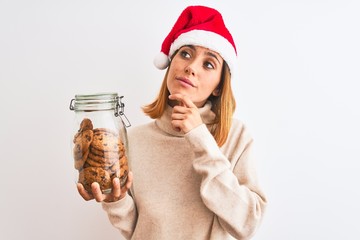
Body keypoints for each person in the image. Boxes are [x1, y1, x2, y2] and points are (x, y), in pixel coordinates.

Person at [77, 5, 267, 240]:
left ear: (219, 86)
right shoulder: (133, 139)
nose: (191, 67)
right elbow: (137, 229)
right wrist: (116, 202)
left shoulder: (236, 136)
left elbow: (248, 223)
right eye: (185, 53)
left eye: (209, 64)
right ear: (170, 62)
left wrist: (200, 137)